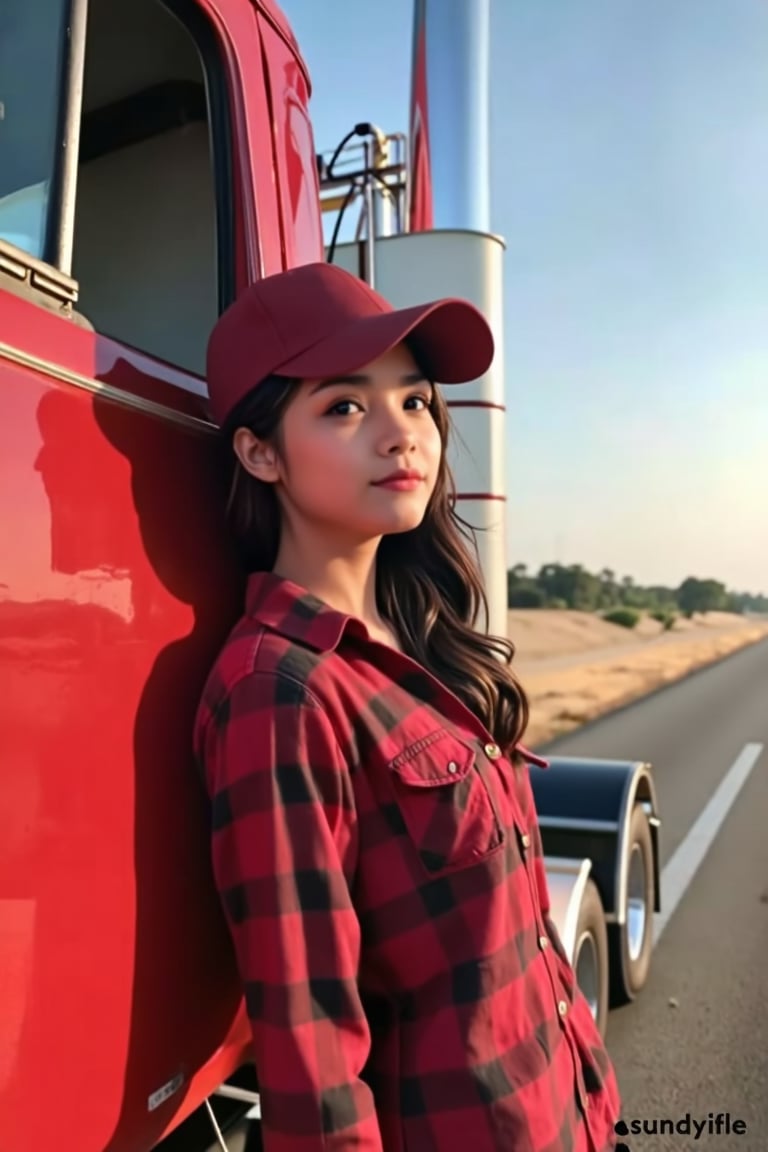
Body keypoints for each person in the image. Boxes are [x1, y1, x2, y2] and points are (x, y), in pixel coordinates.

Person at [194, 262, 621, 1152]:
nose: (404, 436)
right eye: (345, 407)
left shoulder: (419, 639)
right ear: (259, 452)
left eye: (417, 400)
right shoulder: (280, 695)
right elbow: (314, 1063)